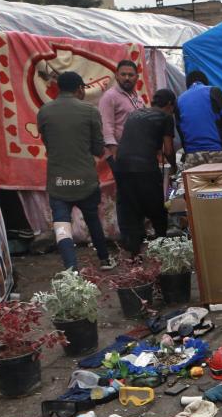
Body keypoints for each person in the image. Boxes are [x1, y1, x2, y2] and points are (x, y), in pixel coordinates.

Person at [37, 71, 114, 271]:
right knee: (92, 219)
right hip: (84, 180)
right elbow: (98, 148)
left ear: (59, 88)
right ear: (80, 89)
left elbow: (47, 142)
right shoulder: (89, 111)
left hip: (58, 181)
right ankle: (104, 259)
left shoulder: (44, 111)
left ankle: (71, 268)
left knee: (62, 225)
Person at [113, 89, 177, 255]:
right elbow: (169, 149)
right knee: (157, 208)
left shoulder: (135, 114)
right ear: (170, 105)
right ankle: (163, 251)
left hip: (121, 166)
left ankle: (134, 257)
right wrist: (175, 169)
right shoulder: (166, 117)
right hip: (144, 168)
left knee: (131, 209)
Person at [175, 71, 222, 172]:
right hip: (217, 152)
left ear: (188, 84)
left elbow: (180, 130)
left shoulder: (179, 100)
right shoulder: (214, 91)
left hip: (192, 156)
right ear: (205, 81)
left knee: (196, 187)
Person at [98, 59, 144, 163]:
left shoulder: (138, 98)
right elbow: (105, 126)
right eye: (123, 74)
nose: (127, 78)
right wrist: (115, 152)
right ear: (117, 76)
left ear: (137, 77)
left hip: (137, 152)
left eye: (130, 75)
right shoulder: (110, 96)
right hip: (119, 153)